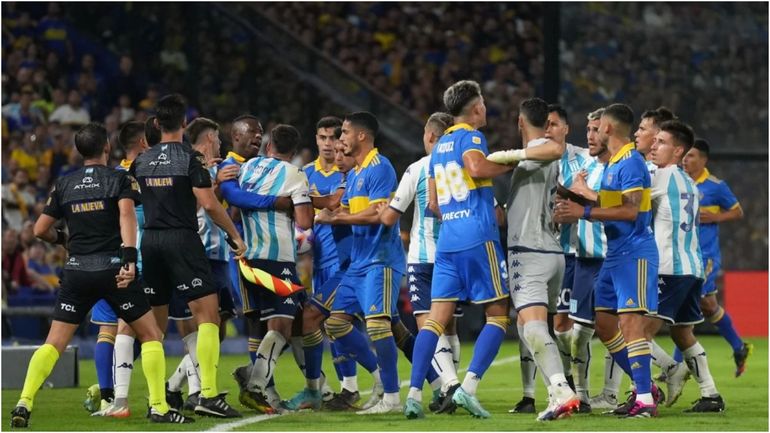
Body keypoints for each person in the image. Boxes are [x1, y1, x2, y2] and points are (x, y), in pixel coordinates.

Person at [10, 122, 190, 427]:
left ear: (79, 152)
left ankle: (24, 402)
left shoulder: (64, 184)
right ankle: (159, 407)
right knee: (151, 335)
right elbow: (126, 215)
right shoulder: (119, 178)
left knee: (53, 344)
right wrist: (130, 259)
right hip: (113, 269)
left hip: (77, 271)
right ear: (106, 147)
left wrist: (64, 240)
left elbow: (39, 229)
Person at [130, 94, 246, 418]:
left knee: (153, 330)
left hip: (150, 243)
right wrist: (234, 235)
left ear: (156, 124)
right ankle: (207, 394)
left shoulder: (141, 160)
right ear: (183, 123)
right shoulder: (190, 158)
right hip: (182, 239)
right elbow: (208, 205)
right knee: (208, 316)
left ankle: (157, 405)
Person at [403, 80, 513, 420]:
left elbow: (433, 204)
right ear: (476, 108)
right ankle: (469, 388)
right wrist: (512, 162)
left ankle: (413, 395)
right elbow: (477, 167)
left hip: (447, 240)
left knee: (434, 321)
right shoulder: (471, 136)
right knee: (498, 315)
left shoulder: (439, 147)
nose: (485, 108)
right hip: (478, 236)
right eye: (482, 103)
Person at [554, 103, 661, 418]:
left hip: (635, 252)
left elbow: (630, 211)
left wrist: (583, 211)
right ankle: (645, 386)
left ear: (609, 129)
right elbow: (611, 203)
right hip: (615, 255)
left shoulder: (631, 162)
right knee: (604, 323)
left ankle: (644, 399)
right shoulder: (615, 164)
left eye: (598, 127)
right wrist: (582, 195)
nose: (594, 132)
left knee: (631, 323)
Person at [315, 111, 406, 415]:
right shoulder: (354, 175)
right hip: (358, 262)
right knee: (335, 323)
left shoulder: (380, 168)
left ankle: (392, 398)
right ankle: (380, 376)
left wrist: (338, 217)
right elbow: (340, 208)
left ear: (362, 136)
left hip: (381, 259)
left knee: (379, 326)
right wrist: (324, 211)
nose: (340, 139)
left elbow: (378, 214)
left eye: (343, 133)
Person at [379, 112, 463, 413]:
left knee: (428, 325)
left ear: (429, 136)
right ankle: (449, 389)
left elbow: (390, 216)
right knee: (449, 325)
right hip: (456, 256)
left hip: (423, 259)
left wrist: (376, 209)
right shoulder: (461, 167)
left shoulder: (417, 168)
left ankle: (450, 387)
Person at [502, 98, 579, 421]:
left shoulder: (537, 154)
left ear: (521, 122)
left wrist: (506, 156)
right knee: (528, 326)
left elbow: (551, 149)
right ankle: (555, 393)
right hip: (551, 253)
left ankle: (562, 389)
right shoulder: (543, 159)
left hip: (529, 253)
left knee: (533, 326)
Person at [645, 120, 725, 413]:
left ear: (678, 150)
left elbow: (627, 201)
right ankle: (711, 394)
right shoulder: (689, 181)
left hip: (670, 269)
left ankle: (669, 370)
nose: (654, 145)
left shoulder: (662, 177)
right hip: (692, 268)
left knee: (633, 331)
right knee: (682, 333)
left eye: (661, 142)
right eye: (655, 141)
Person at [235, 124, 314, 414]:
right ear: (293, 152)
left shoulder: (248, 167)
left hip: (248, 258)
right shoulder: (295, 174)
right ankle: (255, 383)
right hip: (277, 259)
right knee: (281, 325)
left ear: (269, 146)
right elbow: (305, 222)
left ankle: (310, 387)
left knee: (280, 324)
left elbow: (233, 201)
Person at [165, 117, 238, 411]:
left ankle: (174, 384)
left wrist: (221, 183)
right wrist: (215, 181)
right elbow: (194, 206)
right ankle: (198, 391)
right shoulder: (186, 166)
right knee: (198, 325)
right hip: (195, 252)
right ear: (209, 138)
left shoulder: (215, 168)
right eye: (218, 138)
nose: (220, 144)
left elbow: (216, 205)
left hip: (217, 255)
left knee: (216, 328)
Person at [85, 120, 150, 417]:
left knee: (109, 331)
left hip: (106, 258)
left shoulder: (111, 176)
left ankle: (105, 393)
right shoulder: (147, 174)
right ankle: (153, 398)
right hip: (140, 258)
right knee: (148, 331)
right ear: (145, 143)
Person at [301, 116, 360, 407]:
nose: (326, 144)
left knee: (335, 322)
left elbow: (335, 206)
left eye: (331, 139)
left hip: (344, 259)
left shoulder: (346, 170)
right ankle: (345, 389)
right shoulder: (304, 173)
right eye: (321, 138)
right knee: (329, 326)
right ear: (315, 139)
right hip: (319, 261)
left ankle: (353, 387)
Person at [681, 138, 751, 376]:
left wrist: (716, 218)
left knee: (687, 303)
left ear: (703, 159)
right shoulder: (678, 181)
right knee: (709, 306)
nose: (685, 160)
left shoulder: (715, 186)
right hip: (683, 253)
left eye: (691, 156)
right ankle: (739, 347)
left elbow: (737, 211)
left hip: (706, 256)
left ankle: (677, 366)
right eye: (685, 155)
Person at [633, 107, 676, 177]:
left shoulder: (664, 173)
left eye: (642, 129)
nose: (636, 134)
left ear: (659, 134)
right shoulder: (643, 168)